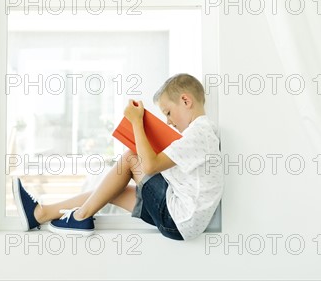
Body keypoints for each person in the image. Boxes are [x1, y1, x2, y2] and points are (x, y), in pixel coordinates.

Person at [13, 73, 223, 240]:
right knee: (109, 191)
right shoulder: (200, 134)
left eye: (168, 112)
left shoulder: (199, 132)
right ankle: (41, 214)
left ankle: (80, 217)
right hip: (180, 219)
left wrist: (136, 122)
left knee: (131, 157)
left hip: (178, 218)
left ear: (186, 100)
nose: (168, 121)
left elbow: (149, 166)